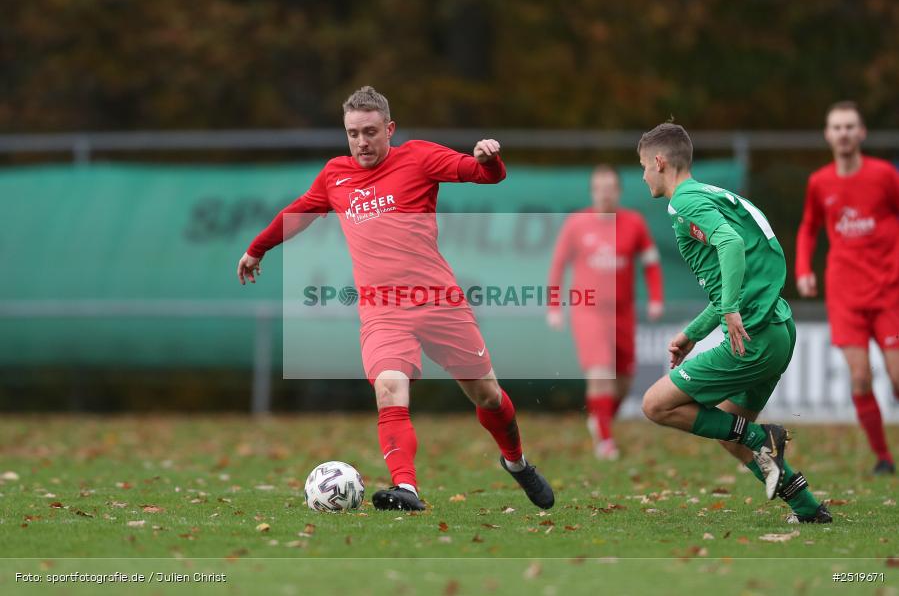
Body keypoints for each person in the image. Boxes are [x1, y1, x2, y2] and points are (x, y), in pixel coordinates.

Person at [236, 86, 554, 511]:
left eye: (370, 132)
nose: (362, 142)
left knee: (488, 396)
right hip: (383, 310)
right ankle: (406, 487)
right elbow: (299, 213)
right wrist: (257, 248)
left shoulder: (419, 157)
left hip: (439, 301)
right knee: (389, 388)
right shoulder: (334, 175)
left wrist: (488, 158)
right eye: (353, 133)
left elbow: (486, 175)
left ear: (389, 129)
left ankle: (516, 462)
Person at [637, 122, 831, 523]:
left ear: (659, 162)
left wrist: (728, 309)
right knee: (731, 431)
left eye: (643, 167)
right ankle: (807, 507)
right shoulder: (709, 194)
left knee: (656, 405)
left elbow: (731, 244)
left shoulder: (685, 201)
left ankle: (764, 437)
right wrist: (694, 333)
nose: (643, 177)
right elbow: (735, 281)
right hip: (776, 327)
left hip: (753, 337)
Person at [796, 101, 899, 475]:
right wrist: (804, 269)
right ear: (828, 134)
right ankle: (883, 458)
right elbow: (809, 227)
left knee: (897, 377)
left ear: (862, 132)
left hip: (889, 290)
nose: (843, 133)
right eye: (837, 127)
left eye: (850, 126)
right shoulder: (819, 182)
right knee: (859, 377)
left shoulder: (884, 175)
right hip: (845, 294)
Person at [547, 165, 664, 460]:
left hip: (622, 313)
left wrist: (656, 298)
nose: (605, 194)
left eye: (610, 188)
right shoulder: (577, 223)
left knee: (623, 381)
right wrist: (554, 306)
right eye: (599, 188)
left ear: (619, 191)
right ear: (592, 192)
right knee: (600, 373)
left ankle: (600, 420)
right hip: (587, 310)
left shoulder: (634, 222)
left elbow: (651, 262)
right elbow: (558, 265)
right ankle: (606, 442)